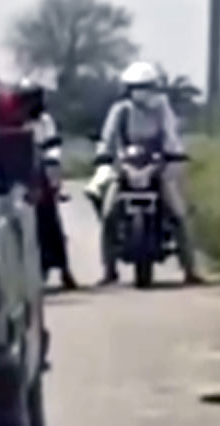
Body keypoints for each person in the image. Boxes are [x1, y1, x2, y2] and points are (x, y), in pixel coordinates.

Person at [84, 60, 203, 286]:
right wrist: (103, 155)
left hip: (156, 167)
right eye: (136, 87)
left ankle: (189, 268)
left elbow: (171, 135)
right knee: (109, 213)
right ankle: (109, 269)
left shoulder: (162, 108)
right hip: (126, 166)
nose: (142, 92)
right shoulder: (120, 110)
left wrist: (174, 153)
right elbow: (108, 137)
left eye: (146, 86)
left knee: (178, 214)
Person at [25, 81, 78, 290]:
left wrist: (50, 166)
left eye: (38, 97)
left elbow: (54, 148)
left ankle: (65, 271)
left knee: (52, 223)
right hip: (22, 176)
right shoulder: (15, 121)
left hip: (43, 175)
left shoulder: (45, 121)